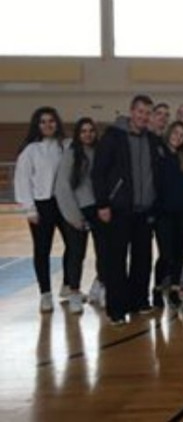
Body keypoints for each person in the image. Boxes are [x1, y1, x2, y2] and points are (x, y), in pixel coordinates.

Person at [92, 95, 161, 325]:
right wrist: (102, 203)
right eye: (140, 111)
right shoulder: (113, 137)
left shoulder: (152, 140)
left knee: (142, 260)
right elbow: (99, 172)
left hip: (144, 211)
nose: (144, 116)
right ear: (132, 111)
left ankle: (139, 301)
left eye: (148, 113)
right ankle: (116, 309)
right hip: (118, 210)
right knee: (116, 261)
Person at [14, 107, 71, 313]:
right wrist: (29, 208)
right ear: (37, 125)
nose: (48, 125)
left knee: (73, 245)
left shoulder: (65, 146)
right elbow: (22, 179)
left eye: (51, 121)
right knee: (42, 250)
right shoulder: (30, 150)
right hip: (42, 204)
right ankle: (45, 293)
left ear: (57, 123)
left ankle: (68, 285)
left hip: (63, 203)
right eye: (43, 121)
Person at [54, 117, 105, 314]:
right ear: (78, 134)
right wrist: (74, 217)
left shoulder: (100, 152)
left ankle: (99, 286)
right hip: (77, 211)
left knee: (104, 251)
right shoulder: (71, 154)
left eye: (91, 130)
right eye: (83, 131)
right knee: (77, 253)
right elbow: (62, 187)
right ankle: (74, 291)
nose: (88, 134)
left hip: (97, 209)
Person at [153, 121, 183, 309]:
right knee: (166, 254)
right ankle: (157, 289)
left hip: (182, 212)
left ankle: (174, 289)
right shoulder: (159, 154)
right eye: (175, 133)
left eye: (182, 135)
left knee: (180, 253)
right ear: (169, 132)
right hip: (163, 213)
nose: (178, 137)